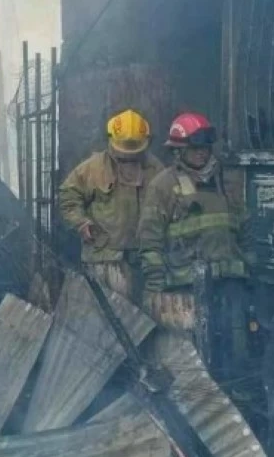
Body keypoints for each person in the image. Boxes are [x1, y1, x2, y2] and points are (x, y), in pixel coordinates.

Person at [138, 112, 257, 338]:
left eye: (206, 147)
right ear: (179, 150)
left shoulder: (225, 181)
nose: (202, 152)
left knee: (237, 344)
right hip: (186, 286)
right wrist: (156, 285)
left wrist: (250, 265)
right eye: (195, 148)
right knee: (198, 347)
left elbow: (245, 226)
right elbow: (149, 239)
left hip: (232, 283)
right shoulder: (163, 186)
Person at [58, 109, 165, 300]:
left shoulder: (155, 169)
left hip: (144, 261)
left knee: (144, 320)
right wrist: (81, 223)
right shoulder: (94, 168)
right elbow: (68, 195)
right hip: (104, 261)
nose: (129, 157)